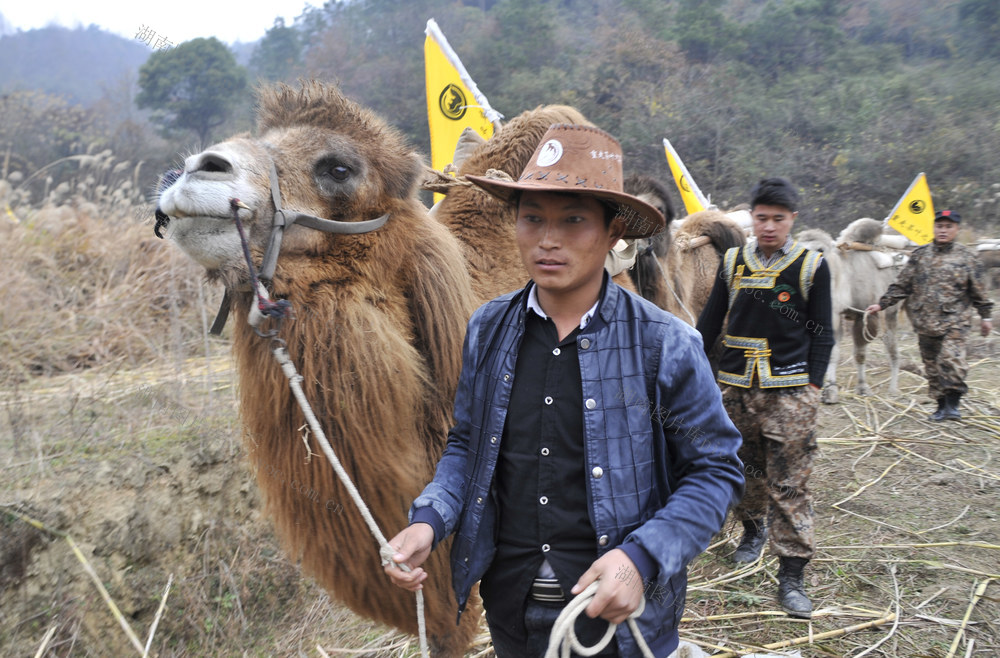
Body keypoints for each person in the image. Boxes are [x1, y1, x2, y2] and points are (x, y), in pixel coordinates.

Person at [383, 124, 744, 657]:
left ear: (613, 231)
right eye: (532, 218)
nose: (547, 240)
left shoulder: (665, 343)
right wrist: (429, 519)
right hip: (513, 606)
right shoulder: (488, 329)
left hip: (622, 620)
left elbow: (716, 469)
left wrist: (641, 558)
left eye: (573, 220)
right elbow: (466, 444)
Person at [696, 177, 834, 619]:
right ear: (751, 218)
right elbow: (708, 323)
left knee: (789, 484)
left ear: (792, 219)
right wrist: (700, 376)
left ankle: (791, 576)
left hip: (790, 395)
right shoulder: (733, 262)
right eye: (761, 218)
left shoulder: (811, 267)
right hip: (736, 390)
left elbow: (824, 335)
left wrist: (812, 388)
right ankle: (752, 534)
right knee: (744, 473)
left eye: (778, 218)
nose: (769, 226)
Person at [866, 210, 993, 421]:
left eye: (948, 226)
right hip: (925, 320)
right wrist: (881, 304)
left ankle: (953, 405)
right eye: (939, 226)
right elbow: (902, 285)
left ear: (956, 229)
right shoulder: (920, 255)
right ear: (934, 228)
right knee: (932, 365)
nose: (943, 230)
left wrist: (986, 316)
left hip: (955, 320)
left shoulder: (967, 257)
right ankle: (941, 405)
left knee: (951, 360)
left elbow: (979, 291)